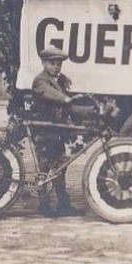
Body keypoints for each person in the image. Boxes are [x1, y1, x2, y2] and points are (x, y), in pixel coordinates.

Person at [29, 42, 96, 216]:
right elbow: (53, 96)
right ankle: (44, 205)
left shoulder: (56, 81)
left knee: (60, 168)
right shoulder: (40, 81)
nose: (57, 66)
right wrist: (66, 99)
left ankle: (63, 205)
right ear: (44, 63)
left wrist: (89, 110)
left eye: (59, 63)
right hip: (43, 130)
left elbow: (68, 104)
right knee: (44, 168)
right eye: (53, 63)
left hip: (56, 130)